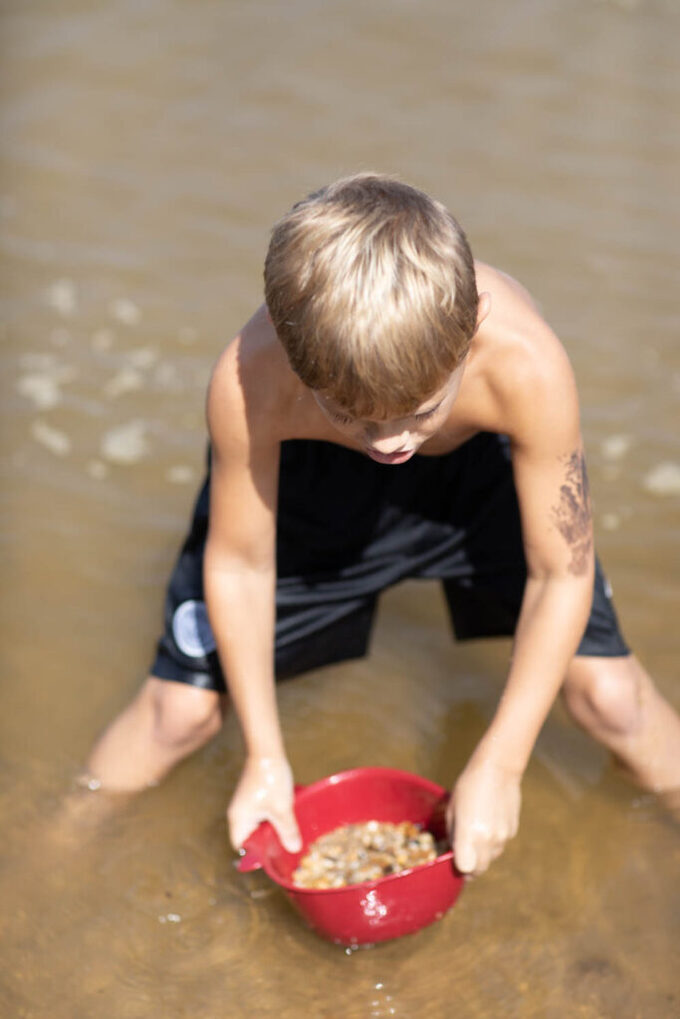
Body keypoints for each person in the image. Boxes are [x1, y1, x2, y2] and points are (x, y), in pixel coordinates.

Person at [85, 174, 680, 876]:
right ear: (301, 368)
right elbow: (241, 565)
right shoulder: (252, 377)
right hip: (317, 479)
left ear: (466, 343)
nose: (392, 442)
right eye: (359, 415)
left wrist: (503, 760)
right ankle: (58, 847)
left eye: (419, 411)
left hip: (474, 479)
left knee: (611, 700)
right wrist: (265, 756)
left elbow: (562, 571)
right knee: (178, 713)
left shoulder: (527, 364)